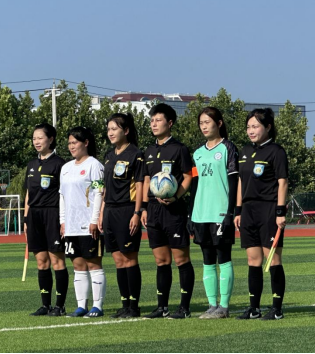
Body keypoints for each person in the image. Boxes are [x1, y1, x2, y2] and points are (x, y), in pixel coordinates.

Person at [141, 103, 195, 320]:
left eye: (158, 120)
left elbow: (188, 176)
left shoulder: (179, 149)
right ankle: (162, 307)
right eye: (152, 120)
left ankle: (184, 307)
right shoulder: (149, 151)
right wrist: (144, 207)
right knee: (161, 261)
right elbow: (146, 180)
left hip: (173, 210)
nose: (154, 124)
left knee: (181, 259)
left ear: (170, 123)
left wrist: (176, 196)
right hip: (153, 211)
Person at [235, 109, 289, 321]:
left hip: (269, 210)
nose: (251, 130)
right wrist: (238, 210)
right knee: (253, 260)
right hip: (248, 211)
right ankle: (254, 308)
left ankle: (277, 309)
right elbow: (241, 181)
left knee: (273, 259)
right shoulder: (244, 151)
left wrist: (280, 211)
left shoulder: (276, 151)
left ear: (267, 127)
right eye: (249, 127)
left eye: (255, 126)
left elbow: (282, 182)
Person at [189, 107, 238, 319]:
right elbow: (195, 184)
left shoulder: (228, 148)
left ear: (219, 123)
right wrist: (190, 214)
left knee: (223, 257)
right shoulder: (197, 153)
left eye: (207, 122)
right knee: (207, 259)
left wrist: (230, 212)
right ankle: (212, 305)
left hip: (220, 212)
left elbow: (234, 182)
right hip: (201, 213)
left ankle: (224, 306)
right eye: (201, 123)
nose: (204, 126)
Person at [100, 113, 145, 319]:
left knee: (129, 258)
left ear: (125, 131)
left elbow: (140, 185)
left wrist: (137, 212)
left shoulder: (136, 154)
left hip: (127, 210)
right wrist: (102, 212)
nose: (110, 133)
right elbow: (105, 187)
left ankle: (134, 306)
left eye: (114, 129)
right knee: (118, 260)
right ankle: (125, 304)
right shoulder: (109, 155)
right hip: (109, 210)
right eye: (108, 129)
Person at [59, 127, 107, 318]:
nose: (71, 146)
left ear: (86, 143)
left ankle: (97, 306)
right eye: (69, 143)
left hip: (89, 225)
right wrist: (63, 221)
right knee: (78, 266)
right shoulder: (66, 168)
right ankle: (81, 306)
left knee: (94, 265)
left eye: (75, 142)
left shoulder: (95, 165)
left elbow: (99, 193)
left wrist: (94, 220)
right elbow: (62, 196)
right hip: (71, 226)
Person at [24, 123, 68, 317]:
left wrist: (63, 219)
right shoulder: (31, 165)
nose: (36, 141)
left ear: (50, 139)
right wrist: (26, 218)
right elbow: (28, 193)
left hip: (53, 214)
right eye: (34, 138)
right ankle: (45, 305)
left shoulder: (60, 164)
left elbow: (65, 193)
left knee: (57, 260)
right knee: (41, 261)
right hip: (34, 216)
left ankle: (60, 305)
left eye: (40, 138)